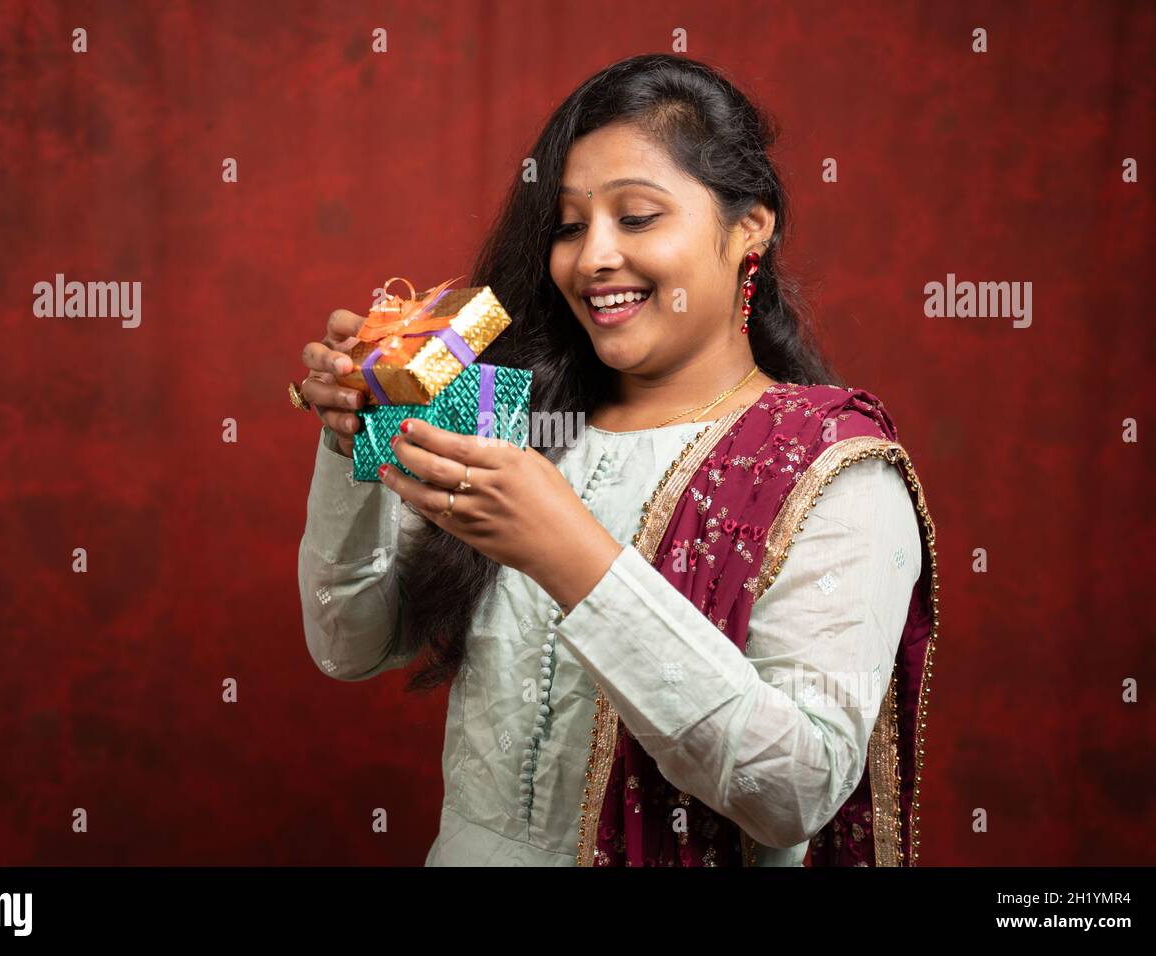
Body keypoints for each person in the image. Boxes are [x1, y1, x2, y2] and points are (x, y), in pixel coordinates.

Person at [293, 53, 939, 866]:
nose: (592, 257)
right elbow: (349, 644)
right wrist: (350, 434)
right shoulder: (517, 418)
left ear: (752, 228)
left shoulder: (832, 471)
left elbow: (797, 793)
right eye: (568, 225)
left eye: (636, 218)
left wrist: (573, 557)